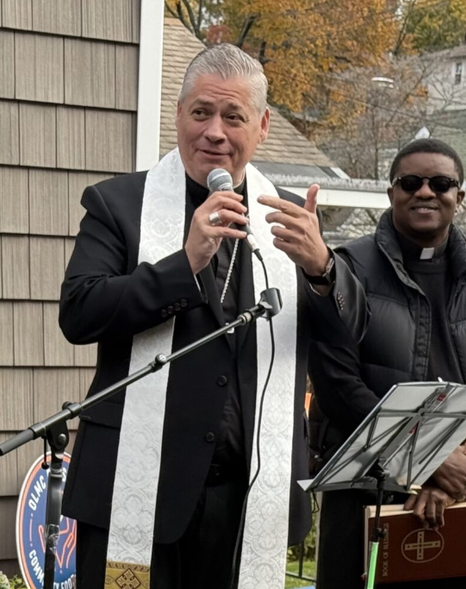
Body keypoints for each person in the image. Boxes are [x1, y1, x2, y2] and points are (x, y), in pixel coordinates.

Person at [59, 43, 367, 589]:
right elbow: (80, 315)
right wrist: (185, 263)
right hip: (137, 485)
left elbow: (350, 337)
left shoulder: (290, 216)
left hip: (250, 491)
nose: (214, 132)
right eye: (201, 112)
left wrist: (323, 269)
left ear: (264, 125)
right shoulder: (118, 204)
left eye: (233, 116)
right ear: (179, 116)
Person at [308, 138, 466, 589]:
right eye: (410, 182)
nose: (425, 192)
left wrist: (457, 475)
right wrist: (431, 460)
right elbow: (338, 387)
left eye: (441, 183)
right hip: (364, 501)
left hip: (458, 500)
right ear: (391, 192)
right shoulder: (346, 269)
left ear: (461, 196)